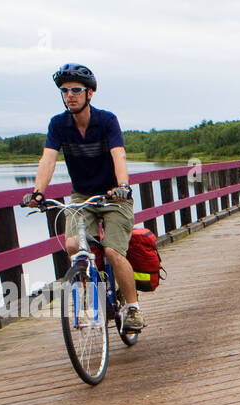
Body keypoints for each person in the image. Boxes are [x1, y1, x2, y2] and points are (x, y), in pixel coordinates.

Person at [23, 64, 145, 331]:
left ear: (90, 93)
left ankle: (133, 307)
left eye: (76, 90)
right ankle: (90, 294)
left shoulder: (106, 120)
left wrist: (122, 185)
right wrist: (38, 191)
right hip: (81, 195)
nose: (70, 95)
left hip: (114, 194)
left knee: (112, 250)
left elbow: (118, 154)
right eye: (65, 91)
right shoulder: (58, 124)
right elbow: (48, 159)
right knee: (72, 245)